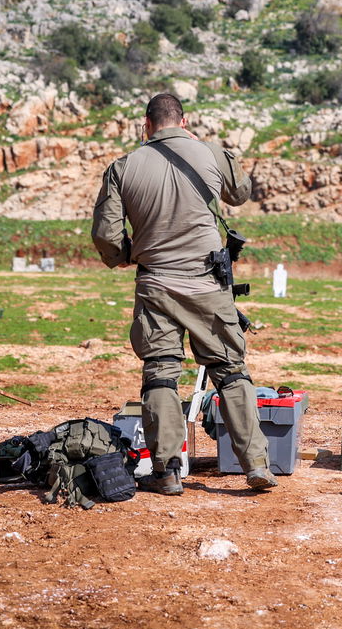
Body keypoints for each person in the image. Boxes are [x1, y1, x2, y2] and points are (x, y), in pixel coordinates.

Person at [91, 92, 275, 495]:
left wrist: (124, 255)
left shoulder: (123, 167)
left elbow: (105, 235)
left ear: (147, 123)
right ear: (184, 120)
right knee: (230, 370)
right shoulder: (210, 153)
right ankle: (257, 464)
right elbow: (240, 193)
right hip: (209, 283)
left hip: (155, 282)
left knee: (160, 373)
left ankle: (168, 471)